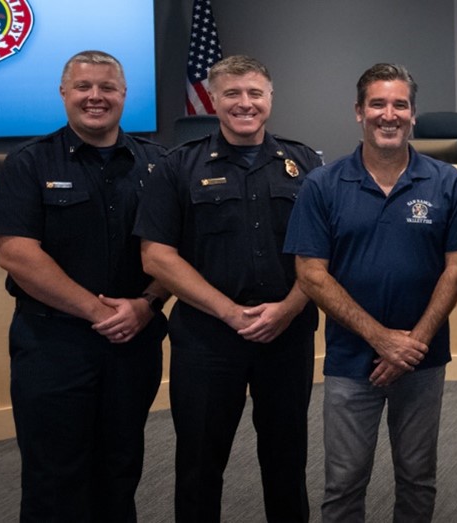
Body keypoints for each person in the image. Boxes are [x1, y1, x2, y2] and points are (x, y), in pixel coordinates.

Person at [0, 49, 168, 522]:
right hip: (52, 345)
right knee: (55, 476)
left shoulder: (157, 165)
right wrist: (100, 311)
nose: (95, 97)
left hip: (133, 344)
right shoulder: (27, 163)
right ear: (64, 93)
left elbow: (174, 252)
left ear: (124, 95)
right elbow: (17, 255)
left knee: (121, 468)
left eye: (107, 87)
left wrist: (147, 304)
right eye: (84, 87)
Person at [284, 63, 457, 522]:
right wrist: (381, 339)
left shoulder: (446, 182)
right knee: (344, 483)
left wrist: (412, 343)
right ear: (358, 112)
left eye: (400, 105)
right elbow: (311, 274)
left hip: (422, 361)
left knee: (417, 478)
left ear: (414, 114)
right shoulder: (322, 184)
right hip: (350, 362)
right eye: (378, 104)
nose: (389, 115)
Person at [137, 55, 320, 522]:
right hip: (207, 339)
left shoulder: (305, 164)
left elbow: (324, 253)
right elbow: (157, 256)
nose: (245, 104)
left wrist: (288, 308)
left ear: (271, 98)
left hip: (287, 335)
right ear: (213, 101)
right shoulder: (178, 166)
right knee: (199, 462)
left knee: (287, 461)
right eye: (233, 94)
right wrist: (229, 313)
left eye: (255, 93)